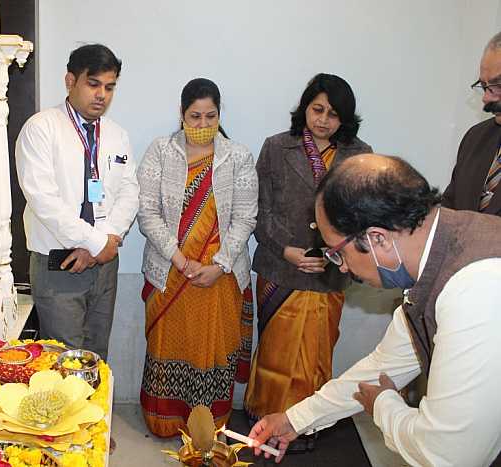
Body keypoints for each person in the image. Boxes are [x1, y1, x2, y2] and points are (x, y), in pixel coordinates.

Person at [248, 155, 501, 467]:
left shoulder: (476, 285)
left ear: (378, 238)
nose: (342, 267)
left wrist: (382, 405)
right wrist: (294, 420)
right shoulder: (438, 257)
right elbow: (383, 366)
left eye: (337, 253)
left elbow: (448, 455)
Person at [244, 74, 372, 433]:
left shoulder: (360, 155)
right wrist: (286, 250)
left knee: (315, 356)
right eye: (317, 110)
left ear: (345, 118)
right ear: (305, 109)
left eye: (333, 114)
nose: (323, 120)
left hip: (330, 273)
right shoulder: (276, 147)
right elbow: (259, 209)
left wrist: (334, 253)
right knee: (275, 353)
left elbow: (364, 215)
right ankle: (263, 421)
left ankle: (305, 427)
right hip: (280, 270)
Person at [137, 78, 257, 437]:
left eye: (210, 116)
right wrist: (178, 259)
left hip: (220, 278)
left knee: (212, 350)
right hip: (170, 273)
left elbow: (245, 218)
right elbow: (147, 212)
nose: (203, 124)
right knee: (168, 347)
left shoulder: (238, 156)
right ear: (181, 113)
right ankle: (165, 420)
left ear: (220, 115)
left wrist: (219, 265)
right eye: (195, 116)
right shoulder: (161, 151)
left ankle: (208, 427)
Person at [15, 44, 138, 360]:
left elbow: (129, 191)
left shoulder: (117, 135)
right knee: (65, 363)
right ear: (70, 81)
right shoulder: (41, 128)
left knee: (97, 358)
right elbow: (44, 200)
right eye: (93, 84)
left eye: (109, 87)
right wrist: (94, 242)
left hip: (105, 264)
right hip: (60, 263)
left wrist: (104, 242)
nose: (102, 95)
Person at [443, 31, 501, 215]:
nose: (486, 98)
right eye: (484, 86)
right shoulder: (475, 138)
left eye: (498, 86)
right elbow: (449, 211)